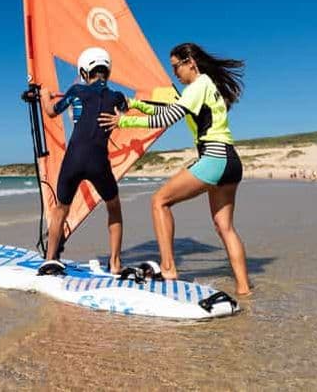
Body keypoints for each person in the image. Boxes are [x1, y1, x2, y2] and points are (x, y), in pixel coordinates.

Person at [98, 43, 251, 295]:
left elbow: (167, 118)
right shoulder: (207, 87)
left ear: (190, 61)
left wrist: (123, 120)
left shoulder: (198, 86)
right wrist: (136, 104)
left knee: (159, 201)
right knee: (225, 227)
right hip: (231, 161)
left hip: (214, 158)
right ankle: (244, 290)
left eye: (176, 67)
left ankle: (168, 268)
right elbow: (171, 109)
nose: (175, 74)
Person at [37, 47, 128, 275]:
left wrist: (43, 96)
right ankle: (115, 262)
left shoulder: (76, 90)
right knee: (114, 207)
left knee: (60, 210)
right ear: (107, 71)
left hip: (74, 160)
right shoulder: (117, 98)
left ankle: (50, 259)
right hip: (99, 161)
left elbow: (50, 111)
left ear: (85, 72)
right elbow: (125, 112)